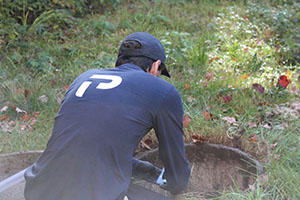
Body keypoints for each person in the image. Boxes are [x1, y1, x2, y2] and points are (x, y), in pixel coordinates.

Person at [24, 32, 191, 200]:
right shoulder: (163, 92)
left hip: (37, 188)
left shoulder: (83, 78)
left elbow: (88, 147)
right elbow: (177, 175)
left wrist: (145, 171)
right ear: (156, 66)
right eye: (159, 72)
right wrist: (178, 184)